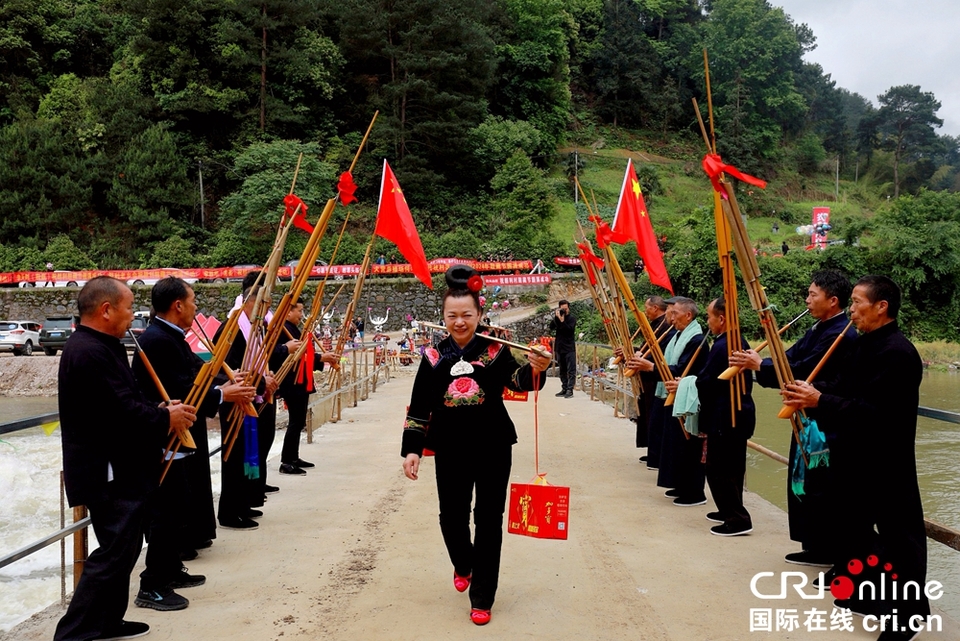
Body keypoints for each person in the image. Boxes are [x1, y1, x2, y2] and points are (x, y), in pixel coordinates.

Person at [400, 265, 551, 626]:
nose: (460, 322)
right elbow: (419, 407)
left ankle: (482, 596)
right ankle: (463, 562)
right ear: (443, 317)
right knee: (451, 517)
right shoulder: (433, 358)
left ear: (480, 314)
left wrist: (538, 367)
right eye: (452, 315)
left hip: (493, 446)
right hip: (450, 449)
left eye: (467, 314)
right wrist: (412, 449)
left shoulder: (495, 352)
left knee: (488, 520)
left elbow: (518, 380)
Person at [784, 276, 928, 639]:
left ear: (882, 306)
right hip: (853, 456)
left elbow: (876, 412)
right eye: (850, 302)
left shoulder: (898, 352)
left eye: (857, 302)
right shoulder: (864, 345)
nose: (851, 309)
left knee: (899, 539)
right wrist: (810, 391)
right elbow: (844, 389)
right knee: (854, 531)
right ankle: (867, 596)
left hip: (886, 461)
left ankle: (909, 615)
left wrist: (821, 401)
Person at [54, 276, 197, 641]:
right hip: (106, 470)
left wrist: (160, 408)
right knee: (115, 551)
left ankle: (106, 621)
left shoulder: (102, 345)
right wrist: (166, 417)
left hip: (120, 466)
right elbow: (119, 411)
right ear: (106, 310)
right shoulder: (87, 351)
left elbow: (127, 400)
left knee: (126, 547)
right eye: (130, 307)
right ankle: (72, 633)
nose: (134, 315)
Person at [131, 277, 256, 611]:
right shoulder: (157, 341)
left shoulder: (171, 337)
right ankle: (152, 585)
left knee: (179, 503)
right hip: (163, 437)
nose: (196, 306)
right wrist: (222, 394)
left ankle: (170, 569)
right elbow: (180, 390)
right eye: (193, 300)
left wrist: (227, 381)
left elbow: (197, 373)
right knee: (165, 510)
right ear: (178, 305)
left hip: (179, 435)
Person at [729, 269, 857, 566]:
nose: (807, 300)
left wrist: (760, 366)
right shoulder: (818, 327)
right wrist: (760, 364)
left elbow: (804, 369)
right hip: (807, 415)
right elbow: (790, 357)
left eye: (814, 295)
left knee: (822, 483)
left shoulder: (841, 334)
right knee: (806, 481)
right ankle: (814, 545)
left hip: (825, 420)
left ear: (833, 301)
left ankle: (829, 549)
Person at [213, 283, 300, 530]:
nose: (268, 311)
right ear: (253, 302)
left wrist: (264, 381)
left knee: (248, 453)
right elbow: (227, 369)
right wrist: (260, 380)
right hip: (234, 399)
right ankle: (229, 511)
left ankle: (242, 504)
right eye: (266, 305)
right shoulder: (232, 328)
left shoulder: (254, 328)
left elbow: (260, 362)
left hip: (252, 397)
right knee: (234, 456)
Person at [630, 297, 707, 506]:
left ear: (688, 315)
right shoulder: (677, 335)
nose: (671, 319)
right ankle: (680, 484)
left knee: (687, 445)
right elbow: (666, 362)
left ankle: (694, 491)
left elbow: (682, 369)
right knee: (673, 442)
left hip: (686, 399)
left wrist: (650, 367)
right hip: (670, 394)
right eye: (670, 313)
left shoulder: (697, 339)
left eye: (674, 314)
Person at [694, 296, 756, 536]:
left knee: (720, 468)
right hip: (734, 413)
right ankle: (727, 509)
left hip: (728, 415)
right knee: (731, 467)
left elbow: (709, 381)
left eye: (709, 317)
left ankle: (737, 518)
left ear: (721, 318)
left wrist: (690, 383)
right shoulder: (731, 341)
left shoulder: (725, 345)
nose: (708, 322)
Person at [277, 297, 339, 475]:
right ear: (289, 311)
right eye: (300, 311)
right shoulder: (283, 330)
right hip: (292, 381)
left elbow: (305, 353)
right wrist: (321, 359)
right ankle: (286, 461)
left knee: (300, 420)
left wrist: (320, 358)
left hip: (301, 379)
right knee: (295, 421)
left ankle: (293, 456)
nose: (301, 315)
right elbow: (297, 356)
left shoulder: (293, 329)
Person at [549, 299, 576, 398]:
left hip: (569, 348)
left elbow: (569, 330)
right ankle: (564, 388)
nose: (564, 311)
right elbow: (551, 327)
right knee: (562, 370)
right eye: (562, 309)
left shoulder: (572, 319)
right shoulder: (558, 317)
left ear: (568, 308)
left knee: (571, 370)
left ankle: (570, 390)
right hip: (559, 348)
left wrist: (562, 321)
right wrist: (556, 318)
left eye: (566, 308)